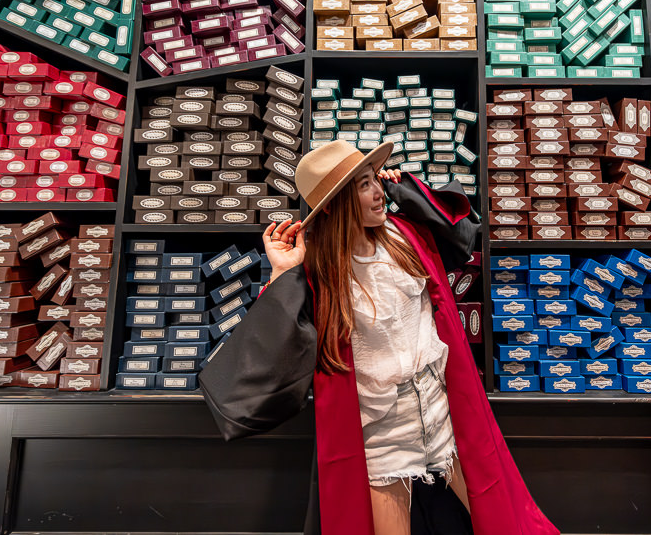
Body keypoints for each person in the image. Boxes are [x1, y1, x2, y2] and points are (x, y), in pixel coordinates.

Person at [200, 140, 558, 535]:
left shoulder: (407, 236)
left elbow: (463, 233)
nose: (377, 193)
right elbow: (272, 362)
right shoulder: (317, 272)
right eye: (363, 186)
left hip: (442, 412)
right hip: (381, 434)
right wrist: (284, 276)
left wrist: (406, 189)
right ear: (335, 205)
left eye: (375, 180)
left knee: (498, 518)